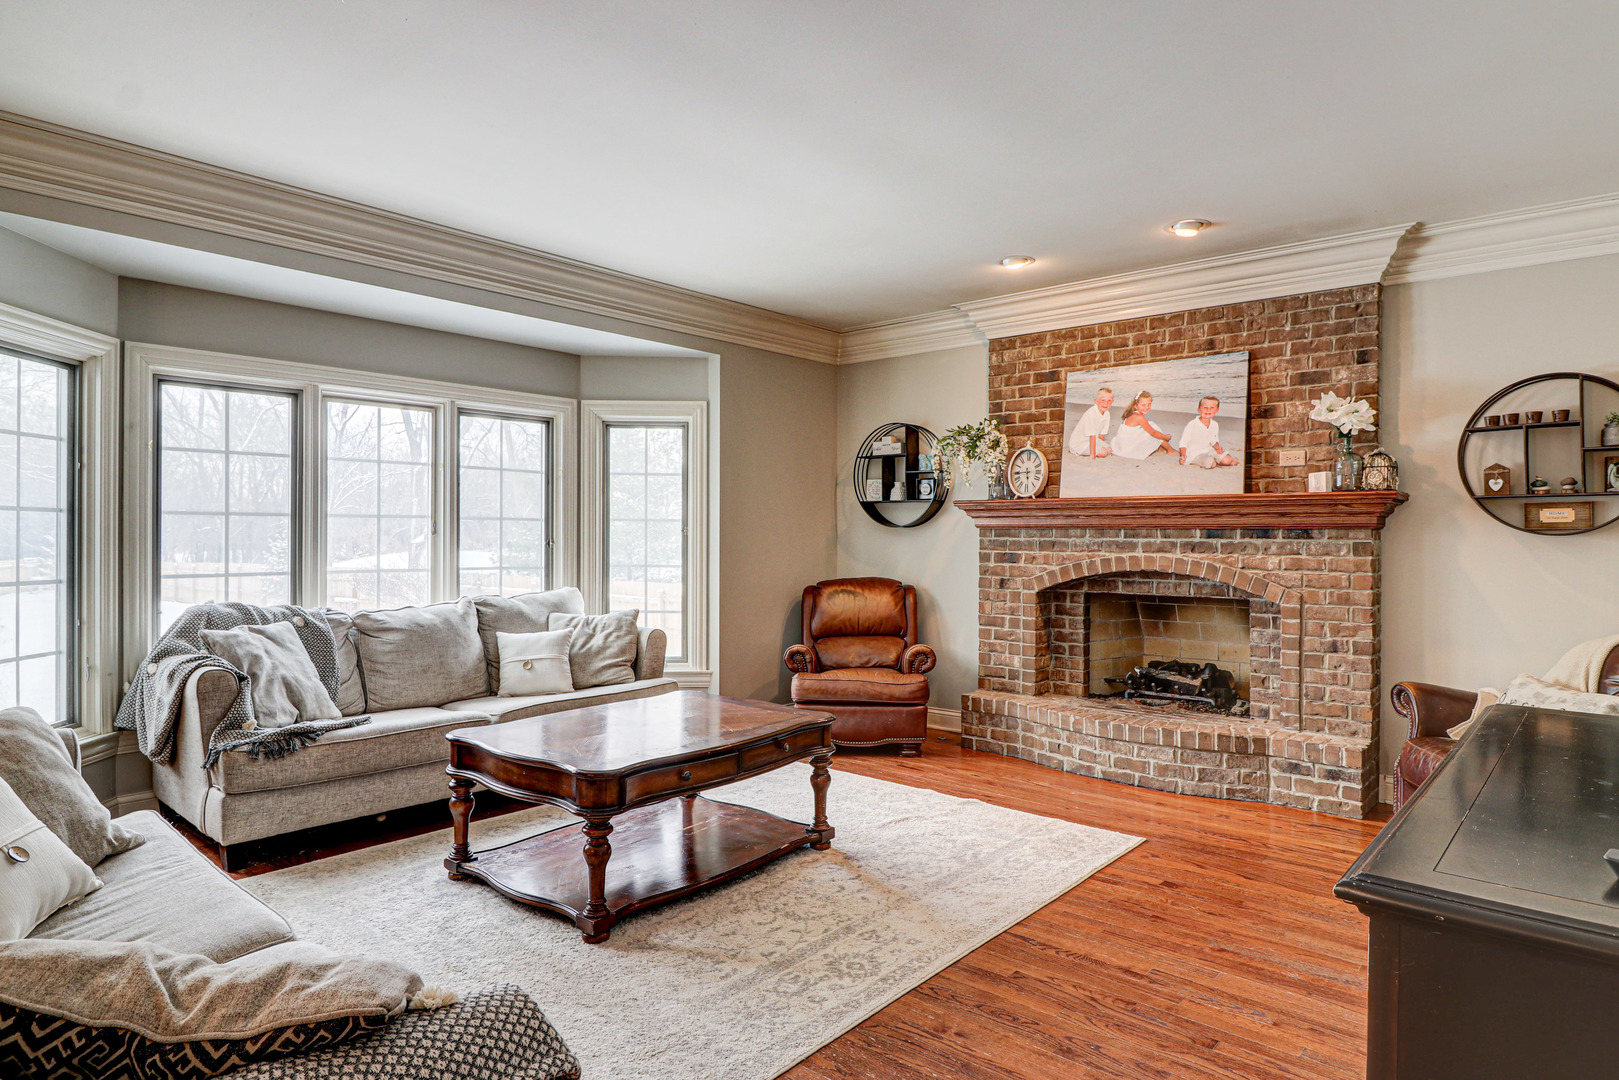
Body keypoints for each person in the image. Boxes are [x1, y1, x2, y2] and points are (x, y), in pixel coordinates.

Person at [1179, 395, 1240, 468]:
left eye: (1212, 408)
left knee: (1227, 460)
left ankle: (1221, 459)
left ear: (1217, 410)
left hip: (1209, 450)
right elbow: (1183, 442)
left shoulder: (1214, 424)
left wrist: (1218, 448)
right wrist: (1183, 455)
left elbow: (1214, 441)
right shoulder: (1192, 424)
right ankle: (1210, 460)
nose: (1208, 410)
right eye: (1205, 408)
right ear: (1199, 410)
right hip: (1195, 453)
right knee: (1210, 463)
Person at [1109, 391, 1173, 459]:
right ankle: (1170, 450)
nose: (1147, 407)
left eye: (1149, 404)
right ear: (1136, 406)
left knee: (1151, 425)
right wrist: (1166, 437)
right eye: (1143, 405)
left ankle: (1161, 447)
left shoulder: (1133, 414)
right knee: (1151, 431)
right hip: (1126, 447)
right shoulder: (1139, 417)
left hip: (1122, 443)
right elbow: (1153, 433)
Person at [1068, 387, 1113, 458]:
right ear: (1096, 401)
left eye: (1109, 401)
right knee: (1103, 452)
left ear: (1112, 402)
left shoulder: (1107, 414)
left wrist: (1101, 445)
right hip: (1079, 443)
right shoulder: (1091, 413)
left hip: (1093, 440)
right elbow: (1092, 436)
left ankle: (1099, 450)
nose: (1106, 403)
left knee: (1109, 449)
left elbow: (1102, 435)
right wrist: (1093, 455)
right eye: (1103, 400)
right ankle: (1088, 452)